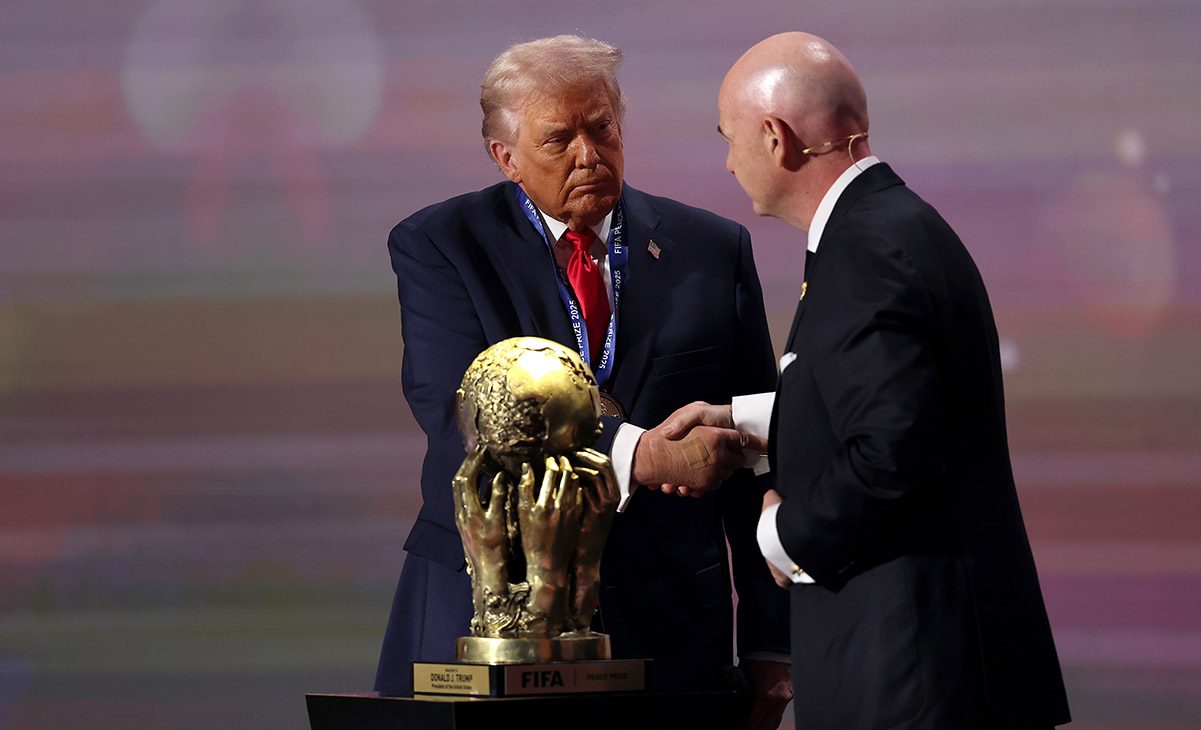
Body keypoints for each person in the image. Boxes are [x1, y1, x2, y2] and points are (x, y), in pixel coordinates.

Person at [373, 35, 792, 728]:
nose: (588, 155)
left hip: (668, 625)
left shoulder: (711, 251)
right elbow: (465, 417)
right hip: (488, 616)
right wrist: (637, 454)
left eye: (601, 128)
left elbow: (756, 452)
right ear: (505, 157)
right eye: (557, 139)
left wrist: (774, 643)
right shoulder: (443, 245)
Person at [661, 31, 1070, 729]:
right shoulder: (888, 224)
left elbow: (892, 453)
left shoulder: (865, 248)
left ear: (775, 137)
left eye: (730, 139)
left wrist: (781, 537)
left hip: (912, 675)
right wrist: (748, 422)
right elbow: (884, 400)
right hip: (930, 668)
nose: (728, 164)